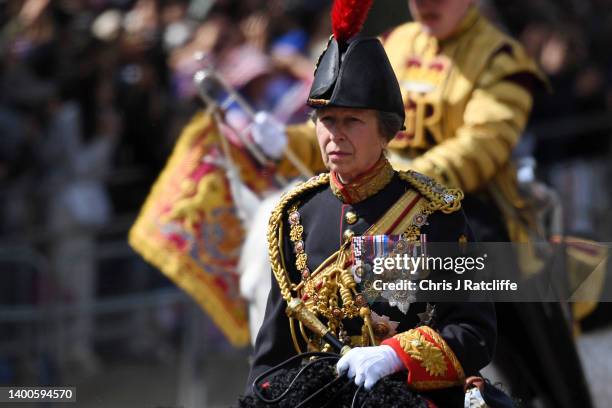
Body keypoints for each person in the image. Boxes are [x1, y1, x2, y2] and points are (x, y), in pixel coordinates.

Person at [254, 1, 592, 406]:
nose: (427, 5)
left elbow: (482, 146)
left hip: (464, 200)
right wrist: (286, 141)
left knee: (515, 304)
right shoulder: (394, 43)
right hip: (379, 187)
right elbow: (344, 123)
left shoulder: (499, 58)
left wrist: (406, 184)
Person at [246, 3, 496, 406]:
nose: (335, 136)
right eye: (327, 122)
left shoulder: (435, 215)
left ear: (386, 133)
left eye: (353, 122)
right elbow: (273, 355)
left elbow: (474, 332)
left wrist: (396, 355)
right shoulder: (295, 215)